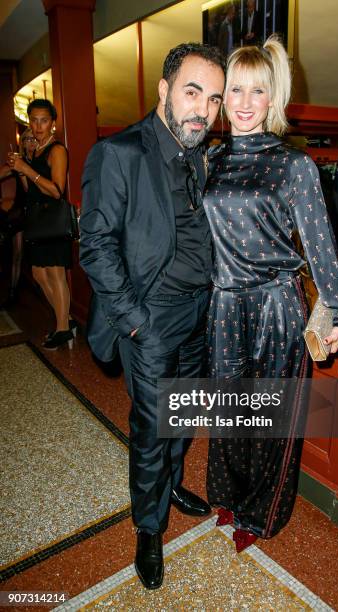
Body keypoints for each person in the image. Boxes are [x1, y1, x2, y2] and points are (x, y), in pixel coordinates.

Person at [203, 36, 338, 552]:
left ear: (275, 100)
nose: (245, 103)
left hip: (276, 304)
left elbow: (320, 243)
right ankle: (227, 495)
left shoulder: (295, 165)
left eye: (258, 92)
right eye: (236, 91)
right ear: (222, 98)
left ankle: (260, 514)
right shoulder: (210, 161)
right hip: (224, 303)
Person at [79, 43, 225, 590]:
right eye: (192, 93)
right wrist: (137, 322)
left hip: (198, 314)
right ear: (163, 90)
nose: (202, 111)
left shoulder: (202, 153)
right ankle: (148, 527)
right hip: (152, 319)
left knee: (184, 419)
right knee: (152, 429)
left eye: (212, 100)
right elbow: (94, 246)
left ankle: (171, 483)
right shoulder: (118, 154)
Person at [7, 99, 75, 349]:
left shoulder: (57, 150)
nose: (38, 126)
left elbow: (56, 191)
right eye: (33, 120)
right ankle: (64, 318)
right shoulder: (34, 149)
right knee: (38, 273)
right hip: (38, 220)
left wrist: (27, 168)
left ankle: (63, 329)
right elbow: (31, 189)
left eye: (44, 120)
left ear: (53, 124)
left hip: (53, 220)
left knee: (56, 274)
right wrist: (22, 169)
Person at [0, 128, 37, 307]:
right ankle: (13, 292)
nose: (29, 142)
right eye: (26, 139)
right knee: (17, 253)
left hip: (35, 212)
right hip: (19, 212)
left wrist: (22, 170)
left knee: (31, 257)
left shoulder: (41, 163)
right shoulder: (18, 161)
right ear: (21, 143)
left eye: (32, 139)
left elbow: (31, 192)